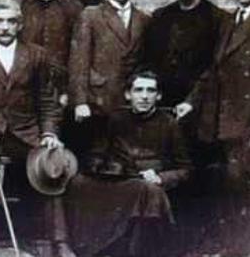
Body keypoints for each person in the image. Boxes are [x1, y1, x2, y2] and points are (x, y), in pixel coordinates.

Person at [0, 0, 75, 257]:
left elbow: (47, 100)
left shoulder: (36, 55)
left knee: (51, 166)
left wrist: (49, 133)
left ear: (20, 24)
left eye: (11, 21)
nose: (5, 27)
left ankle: (60, 241)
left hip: (26, 133)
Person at [177, 0, 250, 253]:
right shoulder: (231, 19)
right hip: (222, 115)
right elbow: (214, 69)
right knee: (227, 184)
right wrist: (190, 102)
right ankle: (230, 245)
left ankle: (247, 248)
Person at [66, 71, 191, 257]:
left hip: (147, 182)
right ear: (128, 94)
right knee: (78, 183)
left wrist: (161, 177)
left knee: (149, 191)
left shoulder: (169, 124)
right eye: (139, 90)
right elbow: (98, 152)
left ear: (159, 96)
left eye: (151, 91)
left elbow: (185, 169)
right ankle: (86, 248)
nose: (145, 96)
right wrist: (101, 165)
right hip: (121, 178)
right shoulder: (116, 119)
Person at [68, 0, 150, 159]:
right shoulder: (91, 15)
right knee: (98, 155)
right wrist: (80, 102)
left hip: (130, 102)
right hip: (99, 101)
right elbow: (79, 62)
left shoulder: (144, 19)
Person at [142, 0, 225, 108]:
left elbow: (214, 66)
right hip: (163, 99)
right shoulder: (161, 16)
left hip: (199, 101)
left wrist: (192, 99)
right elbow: (149, 58)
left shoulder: (218, 19)